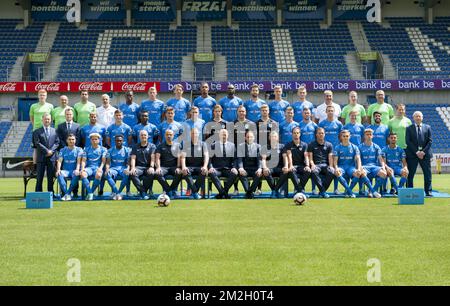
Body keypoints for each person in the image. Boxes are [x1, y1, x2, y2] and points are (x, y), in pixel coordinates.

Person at [175, 128, 209, 199]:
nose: (194, 135)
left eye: (196, 133)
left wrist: (205, 166)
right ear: (190, 135)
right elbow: (183, 157)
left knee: (204, 171)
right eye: (193, 133)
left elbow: (206, 155)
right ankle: (195, 193)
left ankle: (194, 192)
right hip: (189, 167)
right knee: (185, 172)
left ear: (198, 134)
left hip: (200, 167)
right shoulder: (186, 144)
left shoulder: (203, 144)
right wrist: (184, 167)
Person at [405, 111, 433, 196]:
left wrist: (423, 152)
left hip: (425, 155)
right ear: (413, 118)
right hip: (412, 154)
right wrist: (417, 152)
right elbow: (408, 141)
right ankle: (409, 190)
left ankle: (428, 191)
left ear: (422, 118)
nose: (418, 118)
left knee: (427, 174)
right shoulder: (409, 128)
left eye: (419, 116)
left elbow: (430, 141)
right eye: (416, 116)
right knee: (410, 174)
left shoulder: (427, 127)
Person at [32, 113, 59, 193]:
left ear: (51, 120)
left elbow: (57, 143)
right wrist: (47, 151)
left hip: (52, 158)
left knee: (50, 177)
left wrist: (51, 151)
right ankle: (38, 193)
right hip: (41, 157)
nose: (47, 120)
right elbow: (37, 143)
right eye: (45, 119)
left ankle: (51, 193)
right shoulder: (37, 131)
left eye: (48, 119)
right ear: (42, 120)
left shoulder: (55, 131)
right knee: (39, 177)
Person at [319, 105, 343, 194]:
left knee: (336, 168)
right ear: (326, 112)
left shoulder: (339, 124)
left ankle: (336, 189)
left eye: (332, 110)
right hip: (325, 149)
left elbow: (341, 137)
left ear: (334, 112)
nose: (330, 112)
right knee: (325, 169)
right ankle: (317, 188)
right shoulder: (322, 124)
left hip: (336, 150)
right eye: (328, 110)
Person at [208, 129, 239, 199]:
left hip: (227, 169)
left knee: (235, 173)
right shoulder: (213, 145)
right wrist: (210, 167)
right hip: (216, 169)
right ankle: (225, 193)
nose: (223, 136)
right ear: (219, 135)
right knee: (211, 173)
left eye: (225, 135)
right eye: (222, 134)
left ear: (227, 136)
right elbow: (209, 159)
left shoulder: (232, 145)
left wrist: (234, 167)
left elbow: (235, 159)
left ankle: (222, 193)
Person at [280, 127, 311, 194]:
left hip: (301, 166)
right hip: (293, 166)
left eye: (297, 133)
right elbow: (289, 156)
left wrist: (307, 166)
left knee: (308, 171)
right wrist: (290, 166)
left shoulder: (304, 145)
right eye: (294, 133)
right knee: (291, 171)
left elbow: (306, 156)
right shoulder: (288, 145)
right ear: (292, 134)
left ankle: (298, 189)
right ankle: (300, 190)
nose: (296, 134)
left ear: (300, 134)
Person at [30, 89, 54, 173]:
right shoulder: (33, 106)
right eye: (40, 95)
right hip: (37, 130)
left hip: (47, 130)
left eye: (43, 95)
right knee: (36, 149)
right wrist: (36, 127)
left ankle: (51, 167)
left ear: (46, 96)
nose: (42, 96)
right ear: (38, 96)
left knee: (49, 148)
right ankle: (35, 167)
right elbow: (31, 118)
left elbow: (52, 118)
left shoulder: (50, 106)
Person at [332, 130, 362, 198]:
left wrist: (359, 169)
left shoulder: (354, 147)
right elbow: (335, 161)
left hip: (350, 167)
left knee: (358, 173)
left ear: (350, 137)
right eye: (344, 136)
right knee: (337, 172)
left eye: (347, 136)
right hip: (341, 167)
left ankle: (347, 191)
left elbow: (358, 159)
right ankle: (349, 192)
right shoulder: (337, 147)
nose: (345, 137)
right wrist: (336, 168)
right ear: (341, 137)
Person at [308, 128, 335, 198]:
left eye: (322, 133)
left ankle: (322, 191)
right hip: (316, 165)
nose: (321, 134)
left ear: (324, 134)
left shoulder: (329, 145)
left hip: (325, 165)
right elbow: (310, 158)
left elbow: (330, 157)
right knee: (313, 171)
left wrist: (331, 166)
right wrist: (313, 165)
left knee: (332, 171)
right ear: (316, 134)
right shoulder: (311, 144)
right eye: (319, 133)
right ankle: (323, 191)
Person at [129, 130, 157, 200]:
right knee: (132, 173)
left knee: (151, 173)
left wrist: (151, 167)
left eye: (145, 135)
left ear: (148, 136)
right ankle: (144, 192)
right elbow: (133, 158)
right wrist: (132, 167)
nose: (143, 136)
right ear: (139, 137)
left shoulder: (152, 146)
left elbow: (153, 158)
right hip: (139, 167)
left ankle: (143, 192)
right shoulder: (135, 146)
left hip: (148, 167)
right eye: (141, 135)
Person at [80, 133, 107, 201]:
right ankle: (90, 192)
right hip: (89, 168)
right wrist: (82, 168)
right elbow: (83, 160)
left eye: (96, 139)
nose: (94, 140)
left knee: (99, 175)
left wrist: (100, 168)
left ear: (99, 140)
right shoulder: (86, 149)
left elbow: (103, 161)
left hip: (97, 168)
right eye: (92, 139)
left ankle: (90, 193)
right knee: (83, 174)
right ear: (90, 140)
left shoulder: (103, 149)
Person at [358, 129, 385, 198]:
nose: (369, 136)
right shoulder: (360, 147)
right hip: (364, 167)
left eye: (370, 134)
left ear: (372, 136)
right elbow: (358, 159)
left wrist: (383, 167)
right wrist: (360, 167)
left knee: (384, 174)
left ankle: (372, 190)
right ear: (364, 136)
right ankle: (372, 191)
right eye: (367, 134)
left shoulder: (376, 147)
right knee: (363, 173)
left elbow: (380, 158)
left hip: (374, 167)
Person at [261, 131, 289, 198]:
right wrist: (264, 167)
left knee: (286, 172)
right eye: (272, 136)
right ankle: (276, 191)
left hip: (280, 168)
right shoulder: (265, 147)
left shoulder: (282, 146)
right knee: (266, 172)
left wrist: (286, 166)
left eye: (275, 136)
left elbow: (285, 157)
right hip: (270, 168)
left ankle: (274, 191)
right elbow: (263, 159)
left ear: (277, 138)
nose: (273, 138)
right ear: (269, 138)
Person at [154, 129, 181, 199]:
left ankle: (170, 190)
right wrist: (158, 167)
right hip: (163, 167)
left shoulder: (178, 145)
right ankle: (169, 191)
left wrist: (178, 167)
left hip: (174, 167)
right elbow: (157, 158)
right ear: (164, 136)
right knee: (157, 173)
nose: (169, 136)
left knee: (179, 173)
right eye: (167, 134)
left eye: (170, 135)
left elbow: (179, 157)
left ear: (173, 136)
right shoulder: (160, 146)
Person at [56, 134, 83, 201]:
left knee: (76, 174)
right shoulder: (62, 150)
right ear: (67, 141)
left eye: (73, 139)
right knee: (59, 174)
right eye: (70, 139)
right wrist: (58, 170)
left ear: (75, 140)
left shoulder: (79, 150)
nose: (71, 141)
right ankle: (67, 194)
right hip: (66, 171)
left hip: (74, 170)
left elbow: (78, 161)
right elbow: (59, 161)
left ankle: (67, 194)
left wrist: (77, 169)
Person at [236, 130, 262, 199]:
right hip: (245, 168)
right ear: (245, 138)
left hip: (254, 168)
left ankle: (249, 192)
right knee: (241, 174)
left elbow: (259, 159)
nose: (249, 138)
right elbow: (240, 159)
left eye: (251, 137)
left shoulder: (258, 146)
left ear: (254, 138)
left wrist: (259, 168)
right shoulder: (241, 146)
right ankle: (250, 192)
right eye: (248, 137)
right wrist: (241, 168)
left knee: (259, 174)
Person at [104, 135, 131, 201]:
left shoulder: (127, 150)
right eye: (117, 140)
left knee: (127, 173)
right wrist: (107, 169)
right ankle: (117, 192)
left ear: (123, 141)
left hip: (123, 168)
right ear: (115, 141)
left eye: (120, 140)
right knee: (107, 174)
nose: (119, 142)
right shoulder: (110, 150)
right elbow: (107, 162)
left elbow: (128, 163)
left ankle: (120, 192)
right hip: (114, 168)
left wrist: (127, 169)